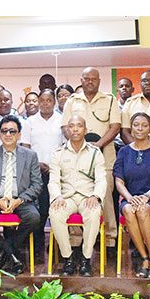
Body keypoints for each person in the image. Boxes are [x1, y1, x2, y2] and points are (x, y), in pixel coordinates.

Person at [0, 115, 42, 275]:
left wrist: (19, 200)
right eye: (4, 131)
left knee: (34, 218)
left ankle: (4, 252)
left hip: (21, 199)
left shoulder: (30, 155)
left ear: (19, 134)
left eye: (12, 131)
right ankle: (11, 253)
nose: (8, 134)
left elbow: (37, 185)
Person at [62, 67, 121, 249]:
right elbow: (66, 127)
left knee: (106, 196)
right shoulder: (72, 101)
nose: (90, 82)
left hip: (105, 155)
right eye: (86, 78)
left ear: (99, 80)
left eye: (93, 79)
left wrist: (96, 146)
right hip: (77, 158)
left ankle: (110, 239)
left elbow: (115, 126)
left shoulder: (110, 100)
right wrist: (82, 146)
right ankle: (77, 241)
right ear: (81, 80)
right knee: (76, 193)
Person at [114, 113, 150, 278]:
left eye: (144, 125)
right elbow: (119, 182)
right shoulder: (124, 151)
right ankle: (144, 257)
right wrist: (130, 197)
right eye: (136, 125)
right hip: (130, 197)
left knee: (142, 210)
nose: (140, 128)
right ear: (131, 128)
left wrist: (146, 196)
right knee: (129, 210)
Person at [48, 115, 106, 277]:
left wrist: (96, 196)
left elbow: (101, 179)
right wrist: (57, 197)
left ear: (85, 130)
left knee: (94, 213)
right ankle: (68, 258)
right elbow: (53, 181)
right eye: (71, 126)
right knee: (55, 213)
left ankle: (86, 259)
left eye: (79, 126)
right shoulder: (58, 153)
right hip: (66, 197)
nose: (75, 129)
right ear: (67, 130)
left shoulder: (95, 153)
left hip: (88, 197)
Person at [21, 88, 65, 263]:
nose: (45, 103)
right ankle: (37, 245)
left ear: (54, 102)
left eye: (49, 100)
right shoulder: (29, 122)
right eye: (42, 100)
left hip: (56, 172)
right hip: (34, 171)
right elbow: (25, 147)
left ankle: (57, 245)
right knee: (36, 210)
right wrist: (36, 164)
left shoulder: (62, 120)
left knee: (53, 208)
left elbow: (64, 145)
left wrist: (54, 165)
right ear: (38, 102)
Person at [113, 77, 135, 152]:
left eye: (127, 86)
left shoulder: (137, 106)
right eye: (121, 86)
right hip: (115, 145)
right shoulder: (112, 106)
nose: (124, 88)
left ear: (132, 89)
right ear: (117, 90)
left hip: (133, 144)